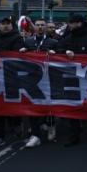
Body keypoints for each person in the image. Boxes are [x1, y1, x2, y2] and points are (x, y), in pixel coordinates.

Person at [59, 14, 87, 146]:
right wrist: (65, 51)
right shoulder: (68, 37)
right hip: (72, 78)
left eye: (72, 23)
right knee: (73, 106)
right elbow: (59, 49)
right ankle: (74, 135)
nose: (70, 25)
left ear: (79, 23)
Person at [18, 18, 60, 148]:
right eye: (37, 25)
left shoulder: (53, 42)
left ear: (46, 27)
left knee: (49, 104)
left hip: (49, 78)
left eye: (42, 25)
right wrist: (23, 51)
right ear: (34, 27)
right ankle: (35, 134)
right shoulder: (28, 41)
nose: (40, 27)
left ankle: (51, 125)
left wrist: (55, 53)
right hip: (33, 78)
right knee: (33, 105)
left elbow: (60, 59)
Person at [0, 16, 25, 149]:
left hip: (11, 77)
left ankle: (16, 123)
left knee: (12, 104)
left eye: (8, 24)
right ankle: (0, 135)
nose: (5, 26)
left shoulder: (17, 38)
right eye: (3, 24)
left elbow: (14, 53)